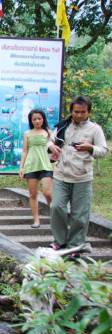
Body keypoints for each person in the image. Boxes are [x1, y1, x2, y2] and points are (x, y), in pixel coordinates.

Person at [47, 96, 109, 257]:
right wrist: (52, 146)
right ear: (71, 111)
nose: (79, 115)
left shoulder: (95, 129)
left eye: (83, 112)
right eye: (76, 112)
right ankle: (59, 241)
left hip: (82, 177)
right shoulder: (63, 126)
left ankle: (75, 246)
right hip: (61, 174)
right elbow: (49, 141)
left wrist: (90, 148)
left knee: (79, 214)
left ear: (89, 111)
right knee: (56, 207)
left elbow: (103, 150)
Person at [19, 109, 53, 228]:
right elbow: (24, 151)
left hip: (45, 165)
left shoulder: (48, 132)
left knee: (48, 193)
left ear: (43, 119)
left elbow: (54, 148)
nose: (37, 121)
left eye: (39, 118)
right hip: (31, 166)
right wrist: (21, 167)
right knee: (33, 194)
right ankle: (36, 220)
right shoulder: (27, 133)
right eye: (34, 119)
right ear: (31, 121)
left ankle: (54, 218)